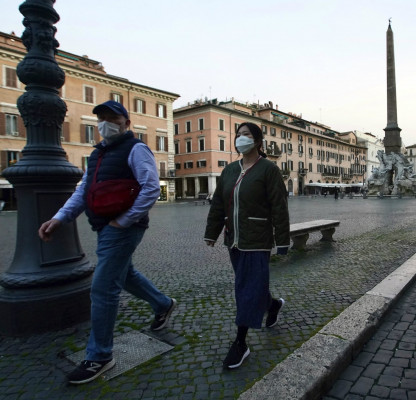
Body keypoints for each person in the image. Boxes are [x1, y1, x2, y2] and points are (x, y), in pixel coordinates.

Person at [38, 101, 176, 385]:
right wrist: (60, 218)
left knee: (103, 288)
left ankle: (100, 355)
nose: (105, 124)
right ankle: (162, 304)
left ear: (126, 122)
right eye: (101, 118)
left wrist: (124, 221)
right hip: (104, 226)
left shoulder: (136, 149)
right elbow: (83, 191)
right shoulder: (98, 154)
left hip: (122, 228)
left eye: (112, 118)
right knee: (124, 275)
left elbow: (151, 188)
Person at [204, 122, 290, 369]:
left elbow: (279, 207)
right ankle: (273, 305)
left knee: (245, 289)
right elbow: (219, 204)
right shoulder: (229, 171)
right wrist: (212, 232)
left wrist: (282, 241)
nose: (241, 139)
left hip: (257, 241)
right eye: (238, 135)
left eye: (246, 135)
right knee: (251, 285)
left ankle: (241, 343)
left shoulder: (268, 170)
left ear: (258, 141)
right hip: (234, 241)